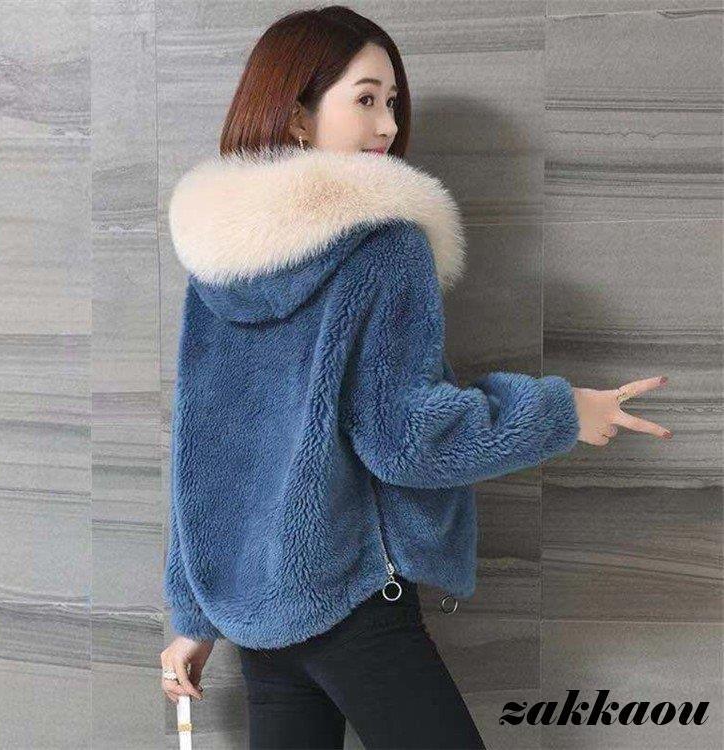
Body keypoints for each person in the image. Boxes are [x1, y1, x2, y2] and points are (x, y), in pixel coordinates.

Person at [159, 6, 672, 749]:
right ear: (297, 115)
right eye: (366, 99)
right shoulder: (383, 244)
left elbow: (202, 458)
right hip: (352, 604)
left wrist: (193, 619)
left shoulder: (217, 261)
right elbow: (407, 440)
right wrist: (563, 413)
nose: (389, 126)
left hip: (258, 622)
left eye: (393, 102)